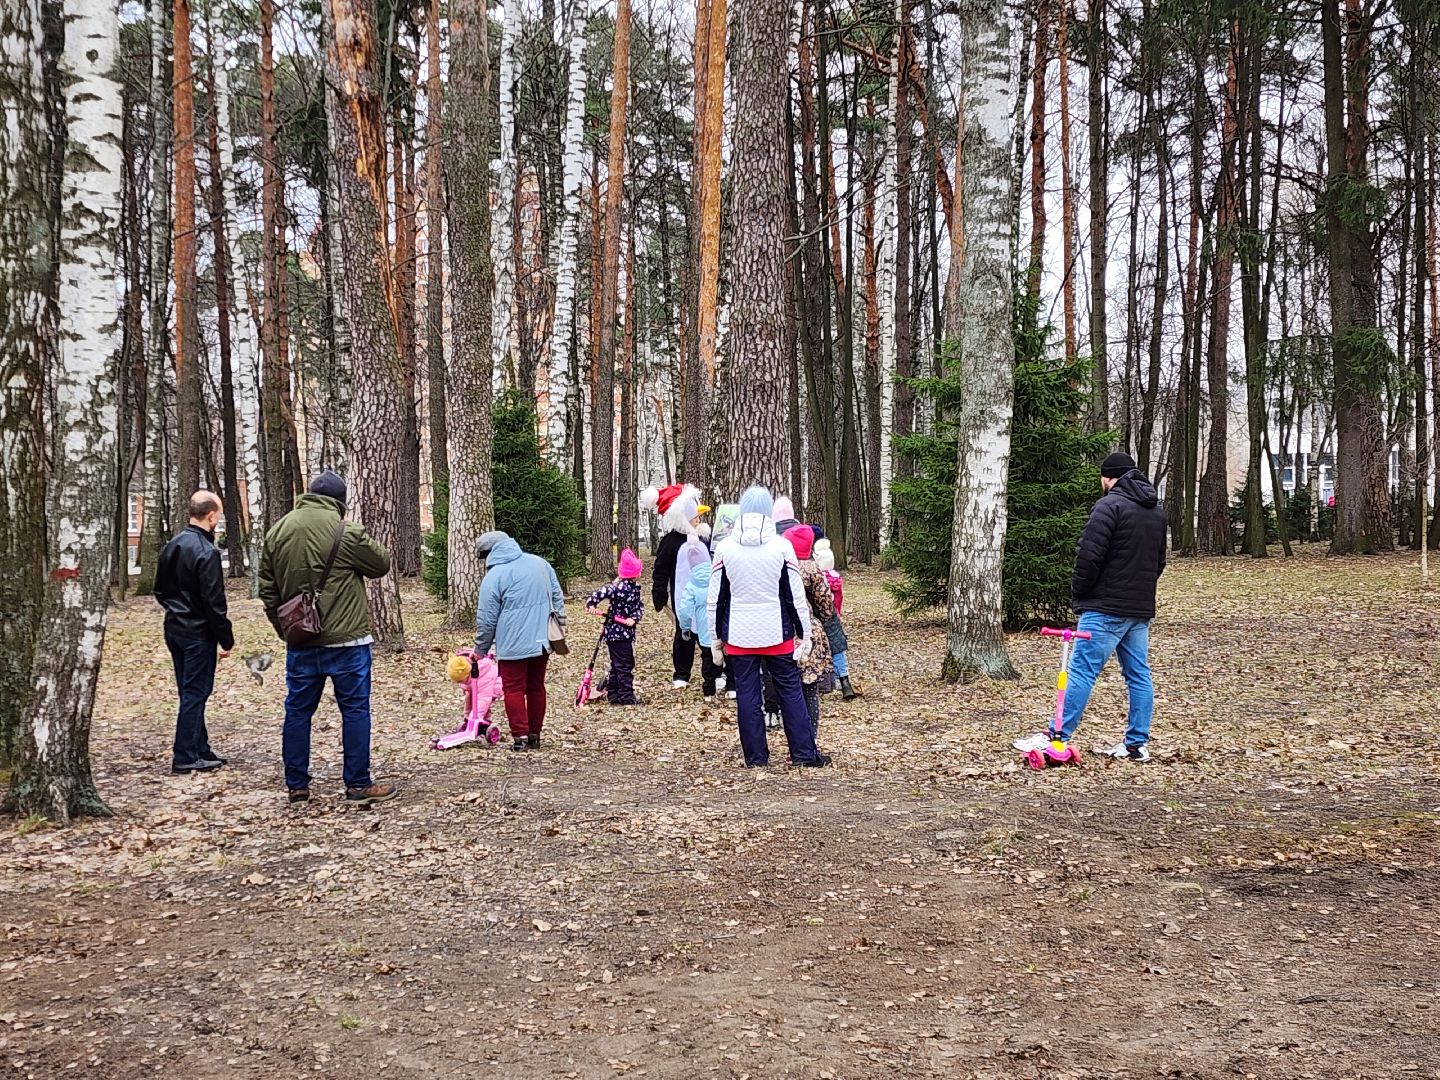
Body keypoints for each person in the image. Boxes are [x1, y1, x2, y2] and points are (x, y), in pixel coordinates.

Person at [1013, 452, 1167, 762]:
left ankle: (1056, 736)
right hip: (1138, 608)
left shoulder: (1108, 506)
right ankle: (1136, 744)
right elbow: (1159, 561)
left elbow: (1088, 557)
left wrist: (1081, 593)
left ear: (1108, 478)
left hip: (1104, 607)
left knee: (1082, 670)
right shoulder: (1156, 512)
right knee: (1138, 674)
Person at [260, 471, 396, 805]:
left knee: (297, 711)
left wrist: (286, 630)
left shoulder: (278, 531)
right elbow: (381, 564)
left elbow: (267, 589)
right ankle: (358, 784)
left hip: (301, 642)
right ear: (340, 502)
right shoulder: (346, 531)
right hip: (348, 642)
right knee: (355, 710)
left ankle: (297, 785)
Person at [706, 485, 831, 769]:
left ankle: (756, 758)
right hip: (778, 633)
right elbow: (795, 596)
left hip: (738, 635)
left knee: (747, 695)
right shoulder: (781, 547)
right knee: (790, 690)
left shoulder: (725, 548)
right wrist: (804, 634)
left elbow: (715, 598)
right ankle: (804, 754)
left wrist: (716, 638)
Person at [155, 491, 235, 774]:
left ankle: (200, 748)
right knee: (195, 692)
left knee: (189, 691)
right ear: (211, 515)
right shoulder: (206, 552)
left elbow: (160, 590)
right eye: (218, 516)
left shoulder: (172, 545)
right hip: (198, 633)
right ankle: (185, 755)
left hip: (175, 628)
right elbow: (214, 602)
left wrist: (177, 610)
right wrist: (225, 638)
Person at [473, 530, 567, 751]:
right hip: (542, 640)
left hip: (511, 643)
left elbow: (486, 619)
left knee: (513, 689)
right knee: (536, 687)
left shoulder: (494, 577)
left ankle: (520, 736)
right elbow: (557, 597)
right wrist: (561, 625)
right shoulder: (540, 564)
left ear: (489, 553)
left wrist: (480, 649)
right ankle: (535, 735)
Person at [641, 483, 710, 689]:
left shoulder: (703, 538)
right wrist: (659, 595)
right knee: (684, 634)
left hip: (706, 597)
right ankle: (681, 673)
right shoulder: (670, 541)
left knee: (707, 633)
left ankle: (714, 672)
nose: (698, 519)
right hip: (682, 598)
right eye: (694, 516)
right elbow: (660, 570)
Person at [782, 525, 835, 737]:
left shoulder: (781, 565)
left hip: (783, 632)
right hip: (809, 632)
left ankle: (794, 737)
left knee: (788, 689)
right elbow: (826, 603)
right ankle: (810, 737)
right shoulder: (813, 569)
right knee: (810, 688)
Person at [585, 548, 645, 706]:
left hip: (624, 631)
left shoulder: (634, 589)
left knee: (617, 663)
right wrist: (591, 604)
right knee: (625, 664)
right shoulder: (618, 587)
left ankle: (614, 694)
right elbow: (601, 592)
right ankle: (626, 695)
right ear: (635, 574)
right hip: (617, 632)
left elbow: (639, 607)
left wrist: (634, 618)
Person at [675, 542, 725, 702]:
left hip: (704, 627)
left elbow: (684, 610)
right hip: (721, 624)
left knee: (707, 656)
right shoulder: (717, 578)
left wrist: (685, 627)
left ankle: (709, 690)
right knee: (726, 653)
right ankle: (730, 686)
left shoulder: (691, 586)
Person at [812, 537, 860, 700]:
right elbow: (839, 600)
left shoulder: (816, 578)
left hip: (817, 618)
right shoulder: (836, 580)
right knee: (837, 650)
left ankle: (820, 682)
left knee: (816, 649)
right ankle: (845, 681)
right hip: (833, 617)